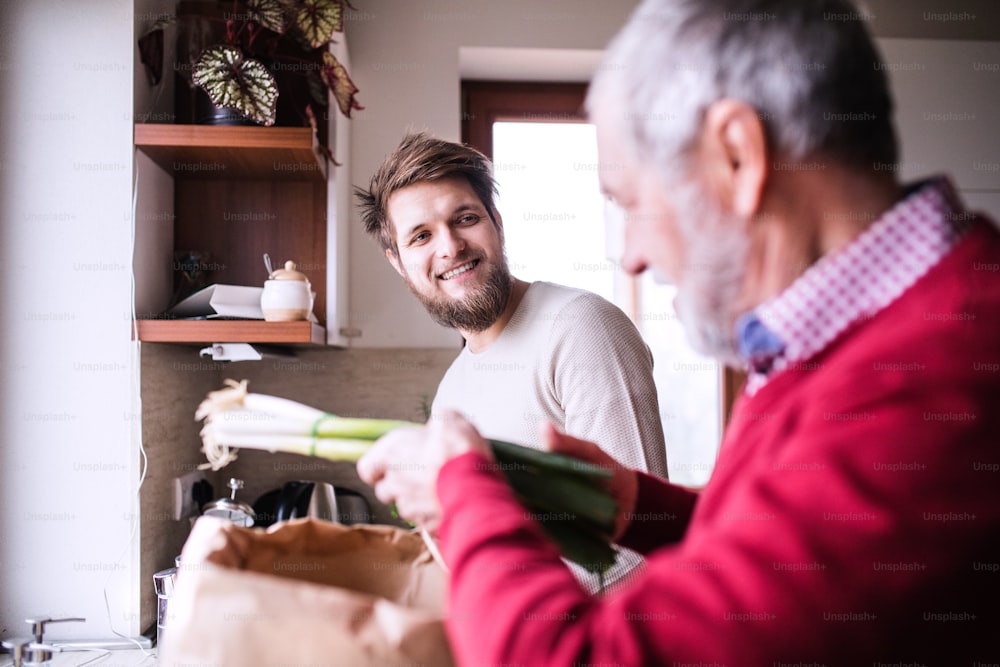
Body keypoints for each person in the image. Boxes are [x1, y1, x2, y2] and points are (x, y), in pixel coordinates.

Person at [357, 0, 1000, 664]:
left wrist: (466, 488)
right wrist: (639, 506)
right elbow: (777, 561)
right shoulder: (830, 338)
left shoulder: (937, 385)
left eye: (632, 202)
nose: (630, 255)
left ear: (738, 156)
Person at [355, 132, 669, 592]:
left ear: (496, 223)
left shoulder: (580, 327)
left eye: (465, 219)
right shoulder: (452, 392)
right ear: (399, 262)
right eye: (421, 236)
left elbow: (637, 548)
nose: (450, 247)